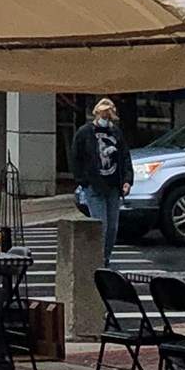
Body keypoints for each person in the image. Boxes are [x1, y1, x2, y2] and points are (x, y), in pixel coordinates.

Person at [71, 98, 127, 263]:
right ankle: (98, 260)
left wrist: (127, 180)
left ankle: (105, 258)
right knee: (100, 225)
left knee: (112, 228)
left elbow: (124, 157)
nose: (106, 117)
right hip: (94, 186)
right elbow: (76, 158)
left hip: (113, 185)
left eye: (108, 113)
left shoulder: (116, 132)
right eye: (104, 113)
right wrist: (83, 181)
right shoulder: (85, 132)